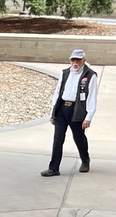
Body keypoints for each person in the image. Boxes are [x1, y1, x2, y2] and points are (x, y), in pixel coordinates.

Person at [42, 49, 98, 177]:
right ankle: (54, 168)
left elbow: (92, 97)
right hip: (62, 109)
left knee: (79, 137)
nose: (75, 62)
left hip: (77, 110)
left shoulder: (90, 75)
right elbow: (58, 92)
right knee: (58, 139)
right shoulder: (65, 73)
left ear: (84, 60)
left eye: (78, 60)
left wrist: (88, 117)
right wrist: (53, 112)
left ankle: (85, 160)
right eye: (73, 60)